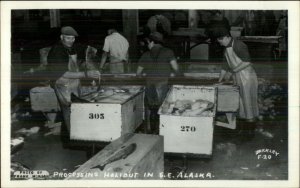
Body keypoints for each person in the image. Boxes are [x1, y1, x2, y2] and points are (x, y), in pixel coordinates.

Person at [47, 26, 101, 136]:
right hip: (62, 84)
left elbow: (81, 59)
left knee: (77, 108)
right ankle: (73, 135)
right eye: (68, 38)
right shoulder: (57, 50)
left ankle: (79, 133)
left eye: (73, 38)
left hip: (74, 82)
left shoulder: (72, 47)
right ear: (62, 37)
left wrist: (90, 62)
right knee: (69, 109)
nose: (71, 41)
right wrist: (86, 74)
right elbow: (63, 73)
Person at [215, 27, 259, 141]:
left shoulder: (239, 45)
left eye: (220, 40)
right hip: (238, 76)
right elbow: (225, 66)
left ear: (227, 37)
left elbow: (247, 61)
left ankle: (250, 132)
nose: (219, 42)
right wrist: (219, 81)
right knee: (240, 103)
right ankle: (243, 129)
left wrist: (233, 70)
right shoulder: (226, 49)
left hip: (247, 76)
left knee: (248, 103)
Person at [136, 32, 179, 134]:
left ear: (152, 42)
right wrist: (171, 74)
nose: (147, 45)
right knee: (163, 108)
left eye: (148, 43)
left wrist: (144, 75)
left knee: (152, 109)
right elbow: (176, 68)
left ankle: (153, 132)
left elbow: (138, 73)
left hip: (150, 85)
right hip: (163, 84)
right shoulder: (169, 52)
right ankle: (164, 131)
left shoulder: (146, 55)